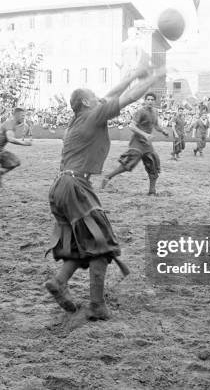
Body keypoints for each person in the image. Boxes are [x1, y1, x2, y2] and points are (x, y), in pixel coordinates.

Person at [45, 63, 166, 320]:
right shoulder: (93, 115)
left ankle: (59, 281)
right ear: (88, 102)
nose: (99, 97)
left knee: (82, 244)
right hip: (76, 185)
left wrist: (133, 75)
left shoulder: (79, 116)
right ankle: (97, 305)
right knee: (102, 242)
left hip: (60, 186)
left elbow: (112, 94)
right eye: (93, 95)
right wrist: (154, 77)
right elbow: (128, 97)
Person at [101, 93, 169, 195]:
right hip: (137, 142)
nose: (150, 101)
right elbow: (132, 126)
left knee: (153, 165)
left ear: (154, 101)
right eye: (148, 99)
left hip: (146, 144)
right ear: (145, 101)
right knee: (129, 164)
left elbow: (156, 125)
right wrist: (145, 134)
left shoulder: (155, 112)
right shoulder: (140, 112)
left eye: (152, 99)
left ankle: (152, 191)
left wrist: (163, 131)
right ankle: (107, 177)